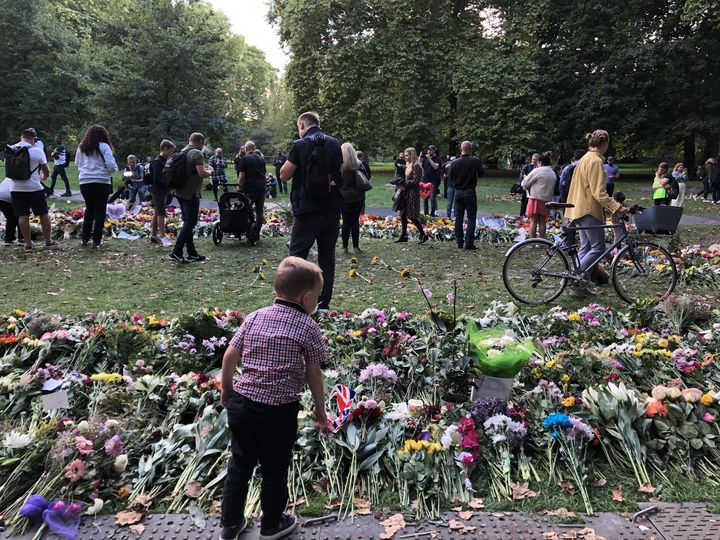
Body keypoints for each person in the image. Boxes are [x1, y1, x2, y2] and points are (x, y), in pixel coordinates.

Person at [219, 256, 327, 540]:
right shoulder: (307, 326)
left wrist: (226, 389)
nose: (316, 301)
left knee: (239, 464)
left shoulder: (255, 317)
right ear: (306, 298)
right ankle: (272, 523)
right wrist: (320, 410)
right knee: (274, 468)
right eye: (317, 296)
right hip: (277, 411)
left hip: (242, 405)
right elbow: (314, 373)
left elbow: (230, 354)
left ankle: (230, 524)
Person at [280, 111, 343, 310]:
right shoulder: (334, 143)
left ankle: (291, 302)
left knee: (297, 258)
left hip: (306, 210)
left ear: (302, 126)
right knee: (327, 257)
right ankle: (323, 304)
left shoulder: (300, 145)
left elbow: (284, 175)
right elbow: (341, 171)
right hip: (331, 209)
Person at [565, 130, 627, 297]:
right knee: (598, 248)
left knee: (586, 247)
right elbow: (599, 192)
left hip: (578, 208)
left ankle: (579, 286)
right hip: (588, 209)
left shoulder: (585, 158)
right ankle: (575, 278)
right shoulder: (594, 161)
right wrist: (617, 207)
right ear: (605, 144)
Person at [5, 128, 54, 251]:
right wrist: (42, 177)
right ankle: (48, 241)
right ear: (33, 139)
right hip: (34, 188)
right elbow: (46, 172)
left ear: (21, 137)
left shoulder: (11, 149)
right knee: (43, 213)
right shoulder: (37, 151)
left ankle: (28, 244)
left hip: (15, 188)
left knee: (23, 215)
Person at [168, 132, 213, 264]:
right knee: (190, 223)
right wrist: (210, 171)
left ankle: (192, 253)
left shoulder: (183, 151)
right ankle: (176, 252)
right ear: (200, 142)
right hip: (191, 193)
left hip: (179, 191)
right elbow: (202, 173)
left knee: (187, 221)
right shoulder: (197, 153)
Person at [75, 125, 119, 248]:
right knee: (100, 210)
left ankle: (85, 238)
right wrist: (111, 170)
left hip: (85, 182)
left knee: (89, 209)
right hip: (101, 181)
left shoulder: (81, 147)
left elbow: (78, 164)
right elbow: (111, 165)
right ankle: (97, 241)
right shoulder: (104, 146)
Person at [450, 141, 484, 249]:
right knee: (471, 218)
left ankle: (459, 242)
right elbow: (481, 174)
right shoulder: (475, 161)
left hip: (458, 192)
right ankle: (469, 243)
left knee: (458, 218)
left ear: (461, 149)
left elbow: (451, 177)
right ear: (471, 149)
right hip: (469, 191)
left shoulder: (454, 163)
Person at [394, 147, 428, 244]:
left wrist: (404, 183)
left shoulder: (416, 165)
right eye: (404, 155)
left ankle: (423, 234)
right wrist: (401, 183)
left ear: (412, 155)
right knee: (403, 214)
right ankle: (404, 236)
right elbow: (407, 178)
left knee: (411, 215)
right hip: (406, 192)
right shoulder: (408, 164)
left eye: (407, 155)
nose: (405, 157)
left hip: (412, 192)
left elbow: (416, 181)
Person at [338, 142, 366, 254]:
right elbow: (366, 178)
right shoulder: (359, 165)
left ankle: (345, 247)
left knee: (345, 222)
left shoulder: (339, 165)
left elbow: (334, 181)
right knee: (354, 222)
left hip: (343, 198)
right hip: (357, 197)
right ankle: (356, 246)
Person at [521, 152, 556, 239]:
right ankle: (541, 241)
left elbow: (525, 182)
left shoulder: (537, 171)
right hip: (547, 200)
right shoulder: (552, 173)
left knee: (533, 221)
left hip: (535, 198)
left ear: (540, 162)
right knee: (542, 221)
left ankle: (532, 241)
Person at [236, 140, 267, 236]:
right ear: (254, 148)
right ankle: (256, 232)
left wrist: (238, 189)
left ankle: (244, 228)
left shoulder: (244, 159)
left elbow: (241, 175)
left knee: (245, 208)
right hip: (261, 188)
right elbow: (264, 174)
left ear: (246, 148)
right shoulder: (261, 159)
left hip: (249, 189)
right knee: (259, 210)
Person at [149, 139, 175, 246]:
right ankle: (163, 237)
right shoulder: (158, 161)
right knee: (161, 213)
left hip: (161, 190)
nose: (171, 154)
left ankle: (154, 235)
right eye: (170, 151)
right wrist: (167, 184)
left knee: (157, 213)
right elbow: (157, 178)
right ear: (164, 149)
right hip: (158, 190)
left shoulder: (163, 160)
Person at [421, 145, 443, 216]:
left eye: (430, 150)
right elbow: (421, 167)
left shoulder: (437, 159)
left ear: (434, 151)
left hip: (434, 181)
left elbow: (435, 167)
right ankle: (425, 214)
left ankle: (432, 214)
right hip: (425, 181)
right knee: (425, 198)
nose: (428, 151)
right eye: (428, 150)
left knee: (432, 198)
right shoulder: (425, 158)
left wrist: (429, 159)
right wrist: (420, 158)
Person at [0, 178, 23, 245]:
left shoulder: (11, 174)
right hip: (9, 197)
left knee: (12, 218)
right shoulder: (25, 178)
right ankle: (20, 238)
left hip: (1, 196)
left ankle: (9, 238)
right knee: (20, 216)